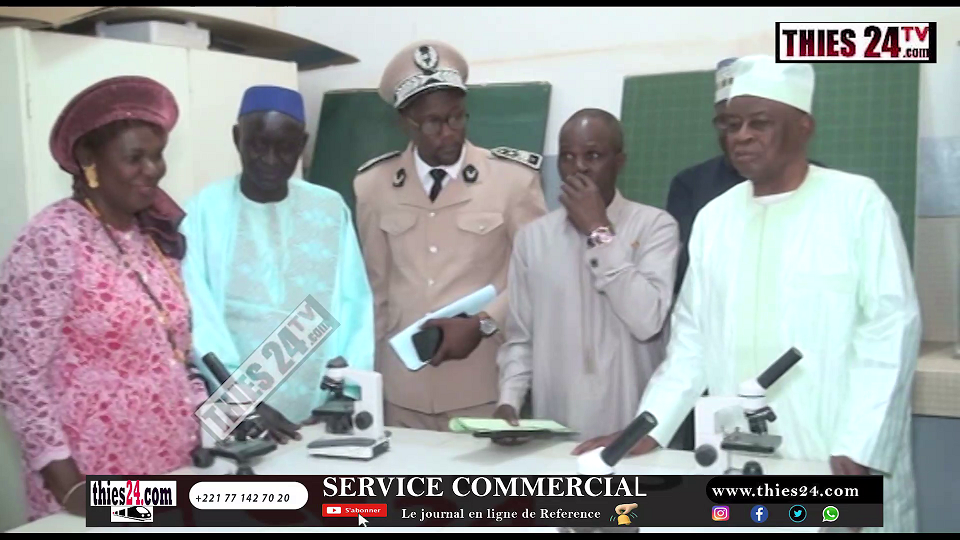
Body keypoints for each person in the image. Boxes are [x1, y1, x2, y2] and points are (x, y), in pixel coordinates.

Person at [574, 55, 920, 533]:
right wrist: (647, 426)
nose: (741, 136)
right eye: (729, 124)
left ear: (803, 127)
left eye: (760, 123)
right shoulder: (715, 218)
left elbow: (890, 332)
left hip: (835, 452)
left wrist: (860, 445)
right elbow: (691, 340)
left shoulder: (857, 204)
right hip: (743, 459)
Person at [0, 76, 207, 521]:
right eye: (135, 157)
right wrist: (69, 486)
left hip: (170, 465)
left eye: (157, 155)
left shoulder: (151, 237)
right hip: (91, 477)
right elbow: (16, 374)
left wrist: (207, 421)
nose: (152, 170)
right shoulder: (52, 238)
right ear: (89, 161)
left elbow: (171, 350)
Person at [354, 40, 548, 431]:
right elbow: (375, 293)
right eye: (432, 123)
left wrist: (483, 323)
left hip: (481, 388)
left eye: (457, 117)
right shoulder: (373, 185)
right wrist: (367, 385)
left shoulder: (513, 180)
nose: (448, 133)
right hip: (401, 394)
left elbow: (539, 277)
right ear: (405, 122)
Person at [181, 85, 375, 433]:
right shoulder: (202, 212)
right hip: (234, 416)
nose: (270, 160)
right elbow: (199, 318)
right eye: (257, 145)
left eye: (285, 148)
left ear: (302, 145)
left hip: (320, 412)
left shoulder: (329, 208)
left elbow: (355, 307)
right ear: (237, 137)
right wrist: (242, 404)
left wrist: (346, 392)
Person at [493, 109, 679, 441]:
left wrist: (599, 231)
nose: (578, 167)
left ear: (619, 161)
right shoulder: (532, 238)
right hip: (556, 429)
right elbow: (521, 338)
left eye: (592, 155)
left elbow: (647, 319)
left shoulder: (655, 226)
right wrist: (509, 401)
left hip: (631, 429)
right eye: (567, 157)